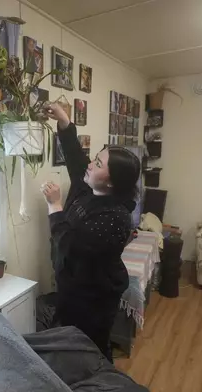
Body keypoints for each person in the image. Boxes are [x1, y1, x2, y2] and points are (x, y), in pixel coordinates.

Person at [41, 103, 141, 361]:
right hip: (72, 286)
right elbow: (75, 156)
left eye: (98, 163)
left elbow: (69, 245)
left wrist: (55, 206)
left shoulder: (116, 216)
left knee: (90, 352)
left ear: (111, 181)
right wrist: (64, 120)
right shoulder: (89, 187)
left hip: (93, 297)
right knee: (67, 346)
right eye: (95, 158)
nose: (90, 165)